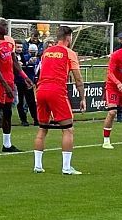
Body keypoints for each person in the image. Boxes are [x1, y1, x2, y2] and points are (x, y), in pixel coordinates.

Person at [33, 25, 87, 175]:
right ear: (68, 37)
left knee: (43, 128)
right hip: (56, 91)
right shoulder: (69, 53)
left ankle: (37, 165)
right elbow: (78, 79)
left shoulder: (46, 52)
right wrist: (82, 98)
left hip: (41, 90)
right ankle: (66, 167)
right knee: (68, 129)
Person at [0, 17, 30, 154]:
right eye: (3, 25)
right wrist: (5, 85)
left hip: (9, 81)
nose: (6, 27)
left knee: (8, 111)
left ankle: (7, 144)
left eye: (6, 25)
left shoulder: (10, 40)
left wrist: (24, 77)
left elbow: (14, 62)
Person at [16, 42, 39, 125]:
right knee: (20, 102)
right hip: (19, 81)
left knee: (31, 101)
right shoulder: (21, 57)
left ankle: (36, 119)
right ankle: (23, 120)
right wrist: (27, 63)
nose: (19, 49)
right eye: (17, 47)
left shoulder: (35, 59)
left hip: (28, 82)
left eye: (20, 47)